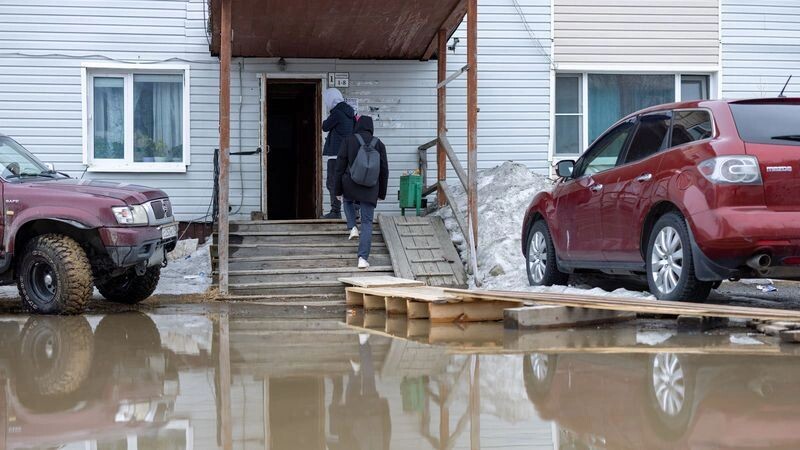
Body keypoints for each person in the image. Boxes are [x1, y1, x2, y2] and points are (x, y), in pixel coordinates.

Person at [333, 116, 389, 269]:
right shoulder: (379, 144)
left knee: (348, 200)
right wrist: (381, 193)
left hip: (351, 184)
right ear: (371, 127)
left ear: (357, 126)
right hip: (371, 188)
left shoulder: (348, 140)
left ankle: (352, 226)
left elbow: (339, 167)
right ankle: (362, 259)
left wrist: (337, 190)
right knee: (367, 223)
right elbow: (384, 170)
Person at [321, 88, 356, 219]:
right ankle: (354, 211)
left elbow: (325, 126)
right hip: (348, 154)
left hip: (335, 154)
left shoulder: (337, 113)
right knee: (348, 182)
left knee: (332, 182)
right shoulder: (350, 113)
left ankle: (335, 211)